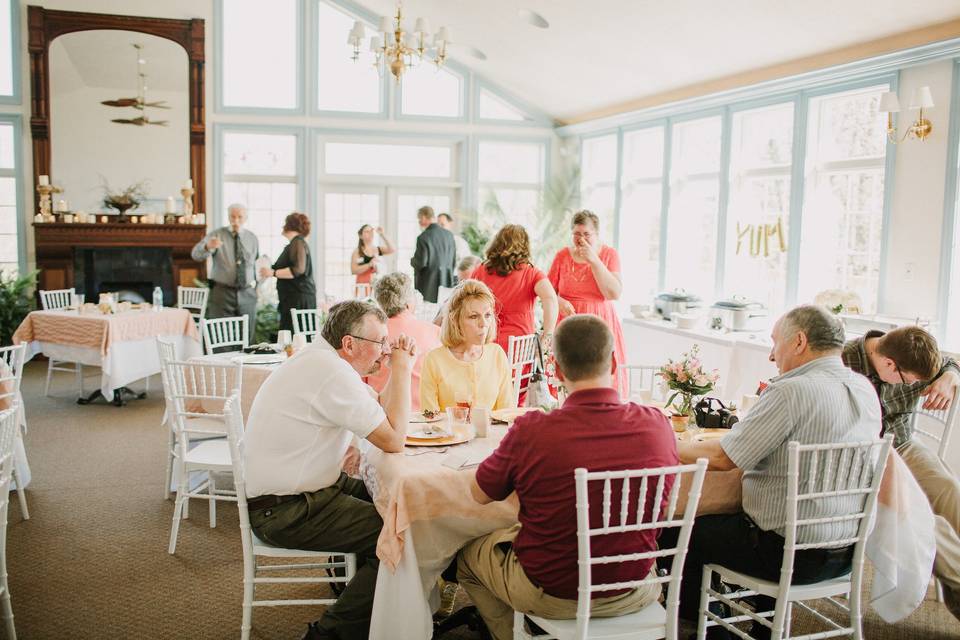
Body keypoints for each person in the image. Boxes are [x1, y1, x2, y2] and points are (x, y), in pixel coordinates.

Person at [457, 315, 678, 640]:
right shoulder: (658, 426)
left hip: (553, 593)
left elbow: (479, 494)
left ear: (557, 371)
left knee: (468, 557)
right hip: (634, 585)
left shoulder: (533, 431)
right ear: (614, 362)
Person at [667, 305, 881, 638]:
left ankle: (705, 627)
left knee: (681, 529)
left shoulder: (791, 391)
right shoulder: (865, 389)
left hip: (785, 555)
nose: (771, 355)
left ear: (799, 341)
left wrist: (665, 443)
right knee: (757, 519)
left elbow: (725, 457)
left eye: (774, 342)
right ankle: (760, 623)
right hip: (846, 552)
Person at [242, 300, 417, 640]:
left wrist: (395, 367)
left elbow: (378, 407)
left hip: (303, 491)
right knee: (400, 537)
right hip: (286, 510)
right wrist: (403, 369)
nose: (385, 349)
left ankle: (358, 589)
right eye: (379, 341)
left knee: (399, 505)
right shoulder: (331, 373)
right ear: (349, 344)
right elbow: (394, 439)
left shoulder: (320, 360)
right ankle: (329, 634)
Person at [841, 325, 960, 618]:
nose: (913, 387)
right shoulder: (843, 362)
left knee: (949, 490)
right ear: (889, 364)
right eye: (909, 382)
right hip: (863, 458)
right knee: (919, 518)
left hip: (902, 444)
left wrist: (950, 376)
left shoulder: (911, 355)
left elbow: (951, 363)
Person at [547, 210, 627, 397]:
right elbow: (549, 293)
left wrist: (594, 260)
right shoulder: (562, 256)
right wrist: (560, 302)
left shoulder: (609, 255)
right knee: (568, 370)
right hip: (568, 321)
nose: (581, 238)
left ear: (596, 235)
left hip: (600, 320)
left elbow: (614, 292)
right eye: (576, 234)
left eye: (586, 234)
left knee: (598, 369)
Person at [420, 279, 513, 413]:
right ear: (455, 320)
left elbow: (506, 413)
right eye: (474, 316)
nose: (483, 323)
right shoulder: (434, 360)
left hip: (492, 434)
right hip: (447, 434)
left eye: (487, 315)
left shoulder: (497, 354)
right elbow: (429, 418)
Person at [471, 224, 558, 355]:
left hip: (486, 345)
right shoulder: (531, 273)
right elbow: (550, 299)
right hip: (519, 349)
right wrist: (547, 336)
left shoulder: (480, 270)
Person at [368, 272, 441, 411]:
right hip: (424, 414)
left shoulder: (369, 334)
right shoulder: (435, 332)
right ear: (408, 302)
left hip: (380, 414)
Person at [191, 203, 259, 343]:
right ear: (228, 217)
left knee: (247, 337)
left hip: (247, 294)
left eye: (240, 217)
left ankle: (245, 364)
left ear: (246, 218)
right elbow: (196, 255)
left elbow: (257, 265)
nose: (236, 221)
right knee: (221, 337)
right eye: (232, 217)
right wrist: (207, 246)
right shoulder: (216, 235)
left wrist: (258, 287)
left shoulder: (252, 238)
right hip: (222, 293)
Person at [258, 212, 316, 334]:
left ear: (290, 225)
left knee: (294, 336)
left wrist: (272, 272)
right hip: (294, 297)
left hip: (297, 299)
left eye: (285, 223)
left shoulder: (297, 242)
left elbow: (298, 270)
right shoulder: (296, 243)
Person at [411, 205, 457, 303]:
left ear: (423, 217)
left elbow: (420, 263)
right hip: (447, 283)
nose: (419, 221)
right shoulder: (449, 235)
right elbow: (453, 261)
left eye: (419, 219)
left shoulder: (423, 237)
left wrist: (412, 261)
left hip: (428, 285)